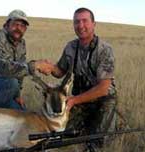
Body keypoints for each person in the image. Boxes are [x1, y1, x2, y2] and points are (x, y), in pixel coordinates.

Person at [36, 7, 117, 151]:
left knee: (96, 142)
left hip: (102, 99)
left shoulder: (104, 49)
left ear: (94, 24)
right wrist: (49, 67)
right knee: (64, 133)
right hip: (80, 100)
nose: (80, 26)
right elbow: (60, 71)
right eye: (76, 22)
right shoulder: (71, 47)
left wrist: (73, 101)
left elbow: (104, 88)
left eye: (85, 21)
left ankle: (111, 122)